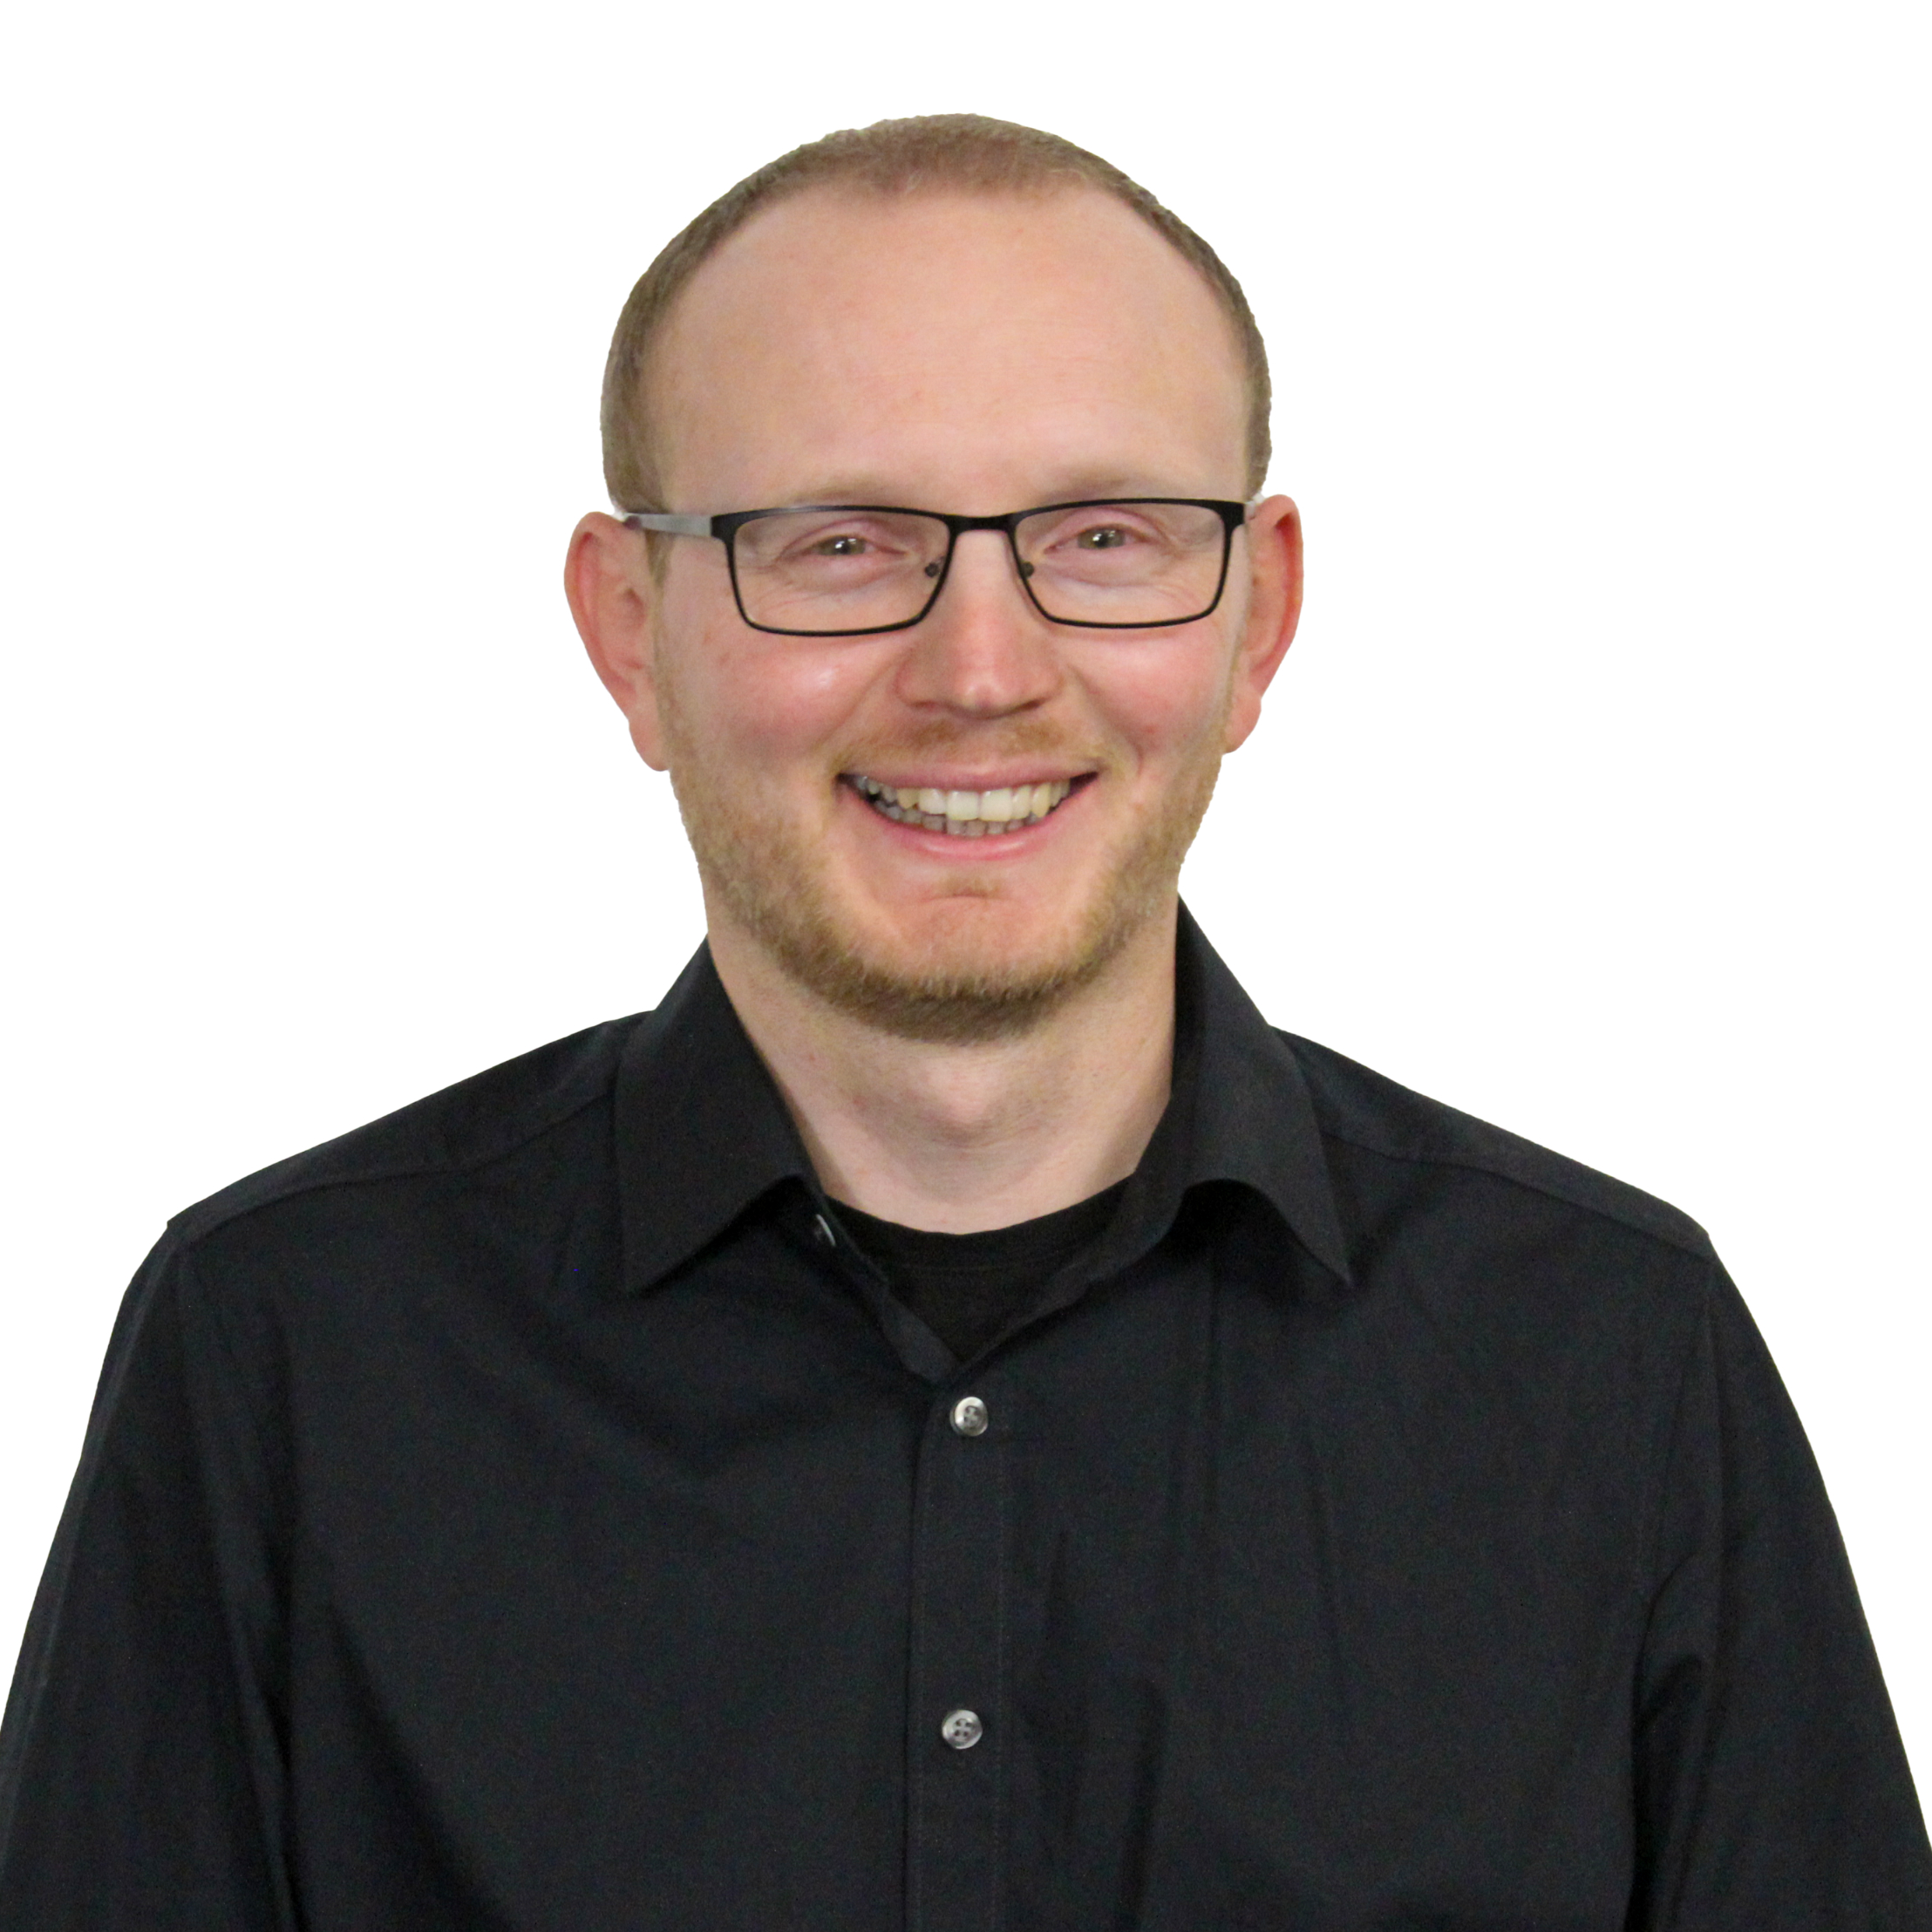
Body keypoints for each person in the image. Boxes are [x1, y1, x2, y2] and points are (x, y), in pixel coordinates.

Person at [0, 112, 1926, 1930]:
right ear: (628, 631)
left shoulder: (1610, 1357)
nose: (982, 670)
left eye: (1103, 537)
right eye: (839, 542)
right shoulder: (280, 1358)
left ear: (1255, 619)